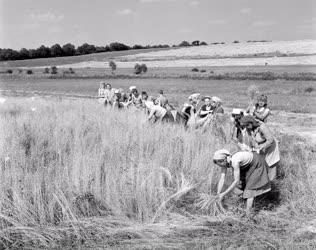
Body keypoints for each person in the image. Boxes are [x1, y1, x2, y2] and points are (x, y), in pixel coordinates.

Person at [213, 149, 271, 216]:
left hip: (257, 163)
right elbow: (222, 178)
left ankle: (248, 214)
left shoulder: (235, 161)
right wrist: (218, 193)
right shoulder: (224, 163)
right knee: (240, 185)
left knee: (250, 189)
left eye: (220, 164)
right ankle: (241, 203)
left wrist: (224, 194)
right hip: (248, 165)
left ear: (224, 160)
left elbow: (236, 181)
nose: (221, 166)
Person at [239, 116, 280, 181]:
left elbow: (270, 140)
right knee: (262, 166)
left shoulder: (262, 127)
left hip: (271, 148)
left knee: (271, 166)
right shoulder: (249, 128)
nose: (246, 128)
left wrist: (261, 147)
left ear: (251, 123)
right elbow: (251, 139)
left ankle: (272, 184)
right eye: (245, 126)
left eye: (247, 125)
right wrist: (251, 148)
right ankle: (265, 182)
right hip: (261, 148)